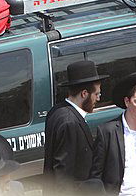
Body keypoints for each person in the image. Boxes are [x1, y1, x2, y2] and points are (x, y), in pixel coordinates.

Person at [44, 60, 107, 194]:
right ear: (84, 94)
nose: (98, 99)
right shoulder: (70, 122)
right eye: (97, 94)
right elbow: (63, 173)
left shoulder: (56, 111)